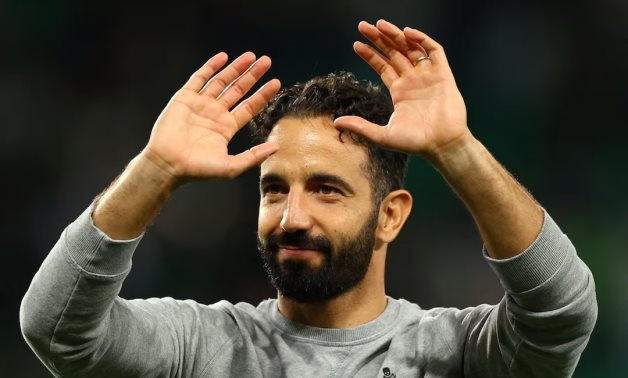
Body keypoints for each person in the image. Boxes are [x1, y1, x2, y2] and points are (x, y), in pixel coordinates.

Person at [20, 19, 597, 377]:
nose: (293, 218)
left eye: (326, 190)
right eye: (275, 189)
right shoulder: (201, 348)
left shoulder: (457, 354)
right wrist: (156, 169)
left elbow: (564, 313)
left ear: (390, 216)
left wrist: (456, 149)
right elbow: (57, 329)